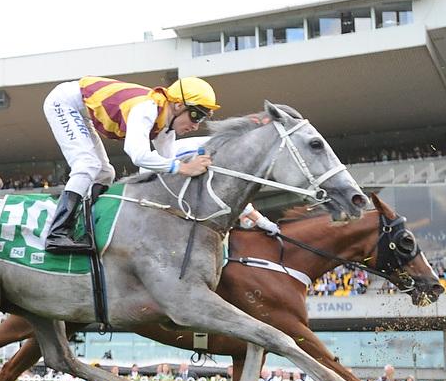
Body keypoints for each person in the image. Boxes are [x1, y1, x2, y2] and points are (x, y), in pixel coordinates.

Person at [41, 76, 277, 253]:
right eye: (195, 115)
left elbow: (161, 168)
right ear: (178, 105)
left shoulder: (165, 127)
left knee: (105, 173)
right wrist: (183, 167)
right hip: (66, 102)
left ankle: (85, 229)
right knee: (87, 165)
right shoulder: (147, 109)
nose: (196, 125)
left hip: (82, 109)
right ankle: (57, 233)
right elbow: (138, 155)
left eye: (202, 118)